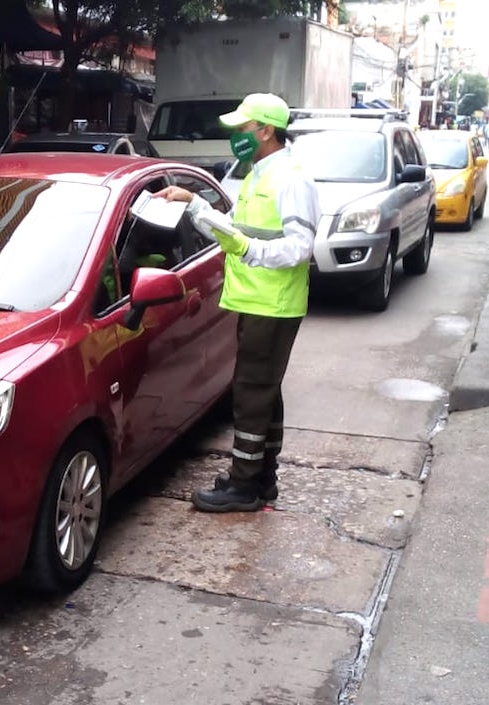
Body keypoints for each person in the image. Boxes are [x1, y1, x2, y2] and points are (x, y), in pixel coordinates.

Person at [155, 93, 320, 513]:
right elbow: (236, 230)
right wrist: (194, 205)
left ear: (265, 131)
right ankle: (260, 479)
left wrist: (249, 252)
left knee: (250, 394)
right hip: (258, 301)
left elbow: (299, 247)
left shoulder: (290, 178)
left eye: (242, 130)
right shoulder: (258, 174)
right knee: (264, 392)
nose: (235, 138)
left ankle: (244, 487)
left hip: (273, 304)